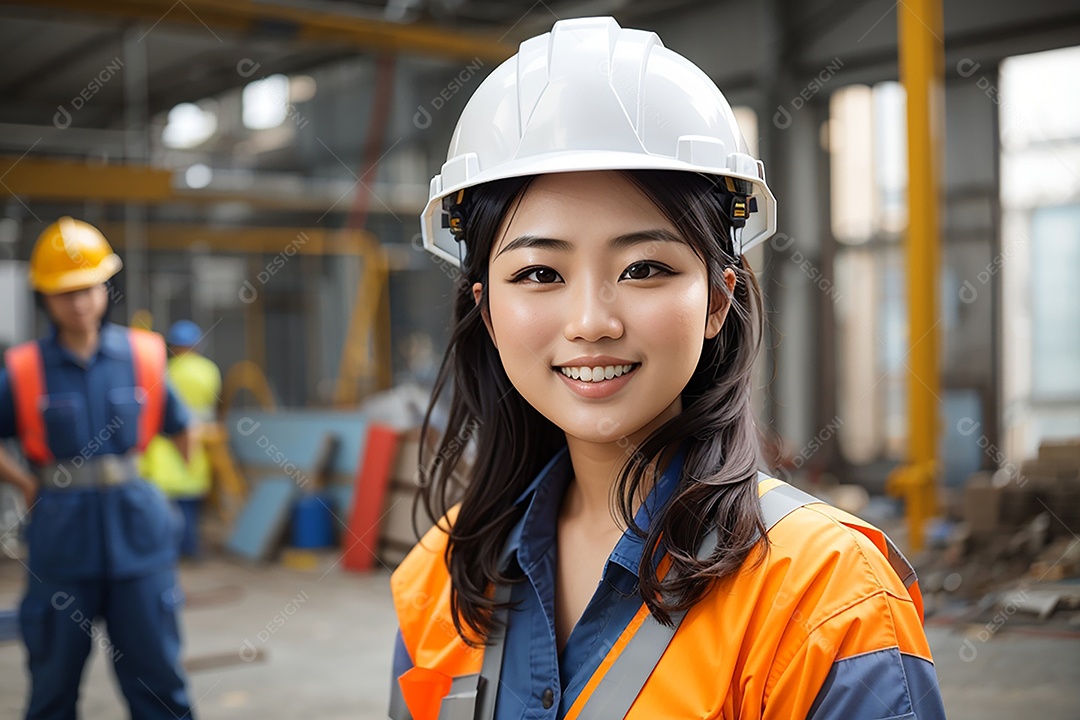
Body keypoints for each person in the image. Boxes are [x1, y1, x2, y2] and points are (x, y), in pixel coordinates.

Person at [388, 16, 947, 720]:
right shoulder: (441, 580)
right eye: (538, 272)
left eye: (644, 267)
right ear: (488, 310)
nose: (592, 320)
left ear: (719, 298)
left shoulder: (824, 595)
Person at [0, 217, 196, 719]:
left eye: (88, 288)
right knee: (52, 690)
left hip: (140, 543)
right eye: (65, 292)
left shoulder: (146, 356)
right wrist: (25, 481)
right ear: (45, 296)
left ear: (106, 287)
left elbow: (181, 425)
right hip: (60, 548)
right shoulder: (23, 369)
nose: (79, 302)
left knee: (159, 686)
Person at [142, 319, 222, 559]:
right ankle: (191, 549)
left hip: (165, 444)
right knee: (190, 504)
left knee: (166, 506)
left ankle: (169, 550)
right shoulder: (210, 370)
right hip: (197, 438)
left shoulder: (166, 370)